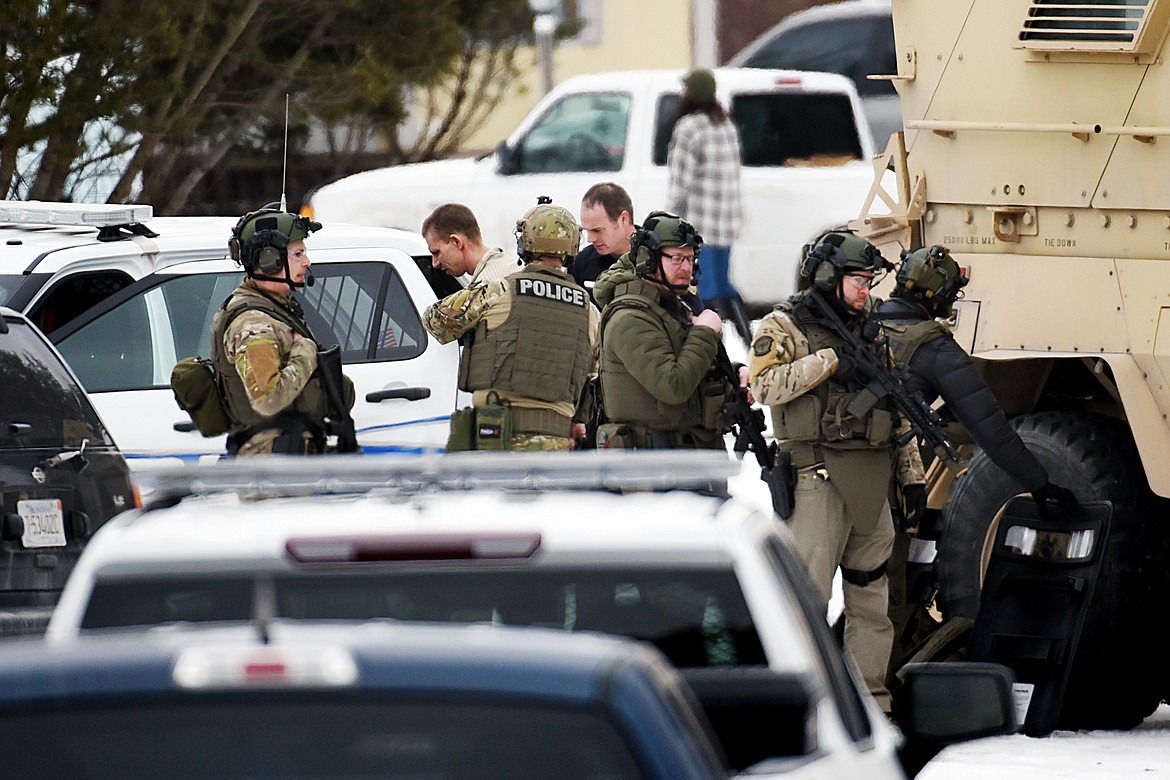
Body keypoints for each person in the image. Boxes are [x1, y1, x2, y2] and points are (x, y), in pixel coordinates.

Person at [748, 230, 926, 713]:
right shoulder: (784, 325)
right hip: (815, 479)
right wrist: (828, 362)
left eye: (869, 280)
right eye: (857, 280)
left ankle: (872, 702)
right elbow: (764, 385)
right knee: (807, 600)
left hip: (870, 480)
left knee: (872, 601)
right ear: (827, 277)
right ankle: (806, 705)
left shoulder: (870, 329)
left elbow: (898, 408)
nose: (865, 290)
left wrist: (911, 476)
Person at [875, 244, 1077, 508]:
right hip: (885, 474)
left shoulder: (862, 325)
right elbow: (989, 427)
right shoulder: (936, 348)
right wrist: (1039, 484)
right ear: (939, 295)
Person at [423, 198, 598, 451]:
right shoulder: (589, 311)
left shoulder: (499, 290)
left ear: (524, 241)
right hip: (556, 443)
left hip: (500, 439)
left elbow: (435, 320)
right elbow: (590, 379)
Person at [594, 211, 744, 450]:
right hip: (653, 467)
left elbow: (687, 363)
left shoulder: (670, 306)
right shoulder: (630, 319)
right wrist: (704, 333)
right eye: (676, 258)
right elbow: (672, 386)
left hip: (687, 456)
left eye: (690, 258)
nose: (686, 267)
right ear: (647, 260)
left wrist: (733, 375)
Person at [213, 208, 354, 456]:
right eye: (298, 254)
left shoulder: (277, 309)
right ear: (269, 261)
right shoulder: (254, 324)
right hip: (274, 467)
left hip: (289, 459)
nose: (307, 262)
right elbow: (269, 400)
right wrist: (304, 351)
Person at [666, 68, 752, 345]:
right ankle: (750, 340)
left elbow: (681, 182)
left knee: (704, 290)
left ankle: (714, 348)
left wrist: (670, 218)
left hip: (701, 223)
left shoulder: (688, 127)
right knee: (724, 286)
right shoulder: (726, 125)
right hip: (727, 221)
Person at [422, 203, 517, 288]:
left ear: (456, 242)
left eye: (436, 253)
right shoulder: (519, 269)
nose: (435, 264)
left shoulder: (484, 289)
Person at [574, 182, 636, 302]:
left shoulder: (661, 260)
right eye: (587, 231)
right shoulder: (583, 263)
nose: (590, 239)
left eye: (598, 230)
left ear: (623, 219)